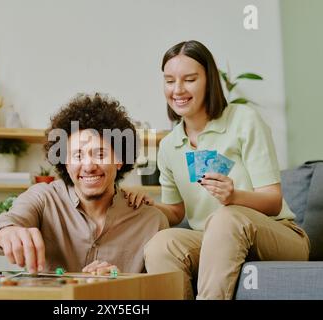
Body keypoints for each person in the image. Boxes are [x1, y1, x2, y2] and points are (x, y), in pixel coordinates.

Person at [125, 40, 310, 299]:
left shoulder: (244, 120)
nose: (177, 90)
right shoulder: (169, 146)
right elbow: (177, 212)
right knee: (161, 245)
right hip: (213, 240)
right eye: (169, 81)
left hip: (276, 233)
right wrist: (149, 206)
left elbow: (273, 201)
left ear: (209, 80)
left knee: (226, 217)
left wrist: (234, 197)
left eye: (189, 79)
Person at [0, 93, 169, 275]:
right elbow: (3, 223)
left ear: (119, 160)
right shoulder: (44, 199)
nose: (88, 166)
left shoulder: (151, 221)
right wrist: (7, 232)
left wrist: (119, 285)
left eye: (100, 154)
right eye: (78, 155)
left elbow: (161, 291)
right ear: (65, 162)